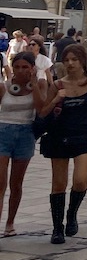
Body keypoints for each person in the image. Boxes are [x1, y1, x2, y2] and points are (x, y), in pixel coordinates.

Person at [41, 44, 87, 244]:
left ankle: (72, 213)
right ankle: (57, 227)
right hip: (59, 136)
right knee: (59, 183)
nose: (70, 63)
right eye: (66, 60)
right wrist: (55, 99)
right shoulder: (57, 85)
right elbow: (43, 112)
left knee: (80, 180)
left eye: (74, 59)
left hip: (84, 136)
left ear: (82, 61)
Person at [1, 52, 50, 236]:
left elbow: (41, 109)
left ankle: (10, 222)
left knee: (16, 183)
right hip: (3, 131)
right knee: (0, 182)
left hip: (26, 133)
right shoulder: (4, 86)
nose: (20, 71)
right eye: (17, 67)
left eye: (25, 67)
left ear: (32, 68)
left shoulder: (41, 83)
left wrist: (34, 83)